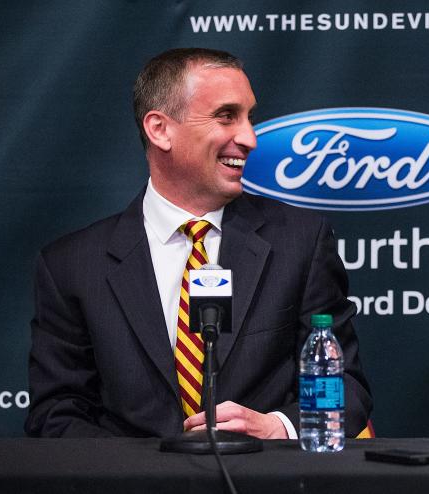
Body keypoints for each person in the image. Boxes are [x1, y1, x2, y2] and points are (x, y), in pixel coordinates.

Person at [26, 48, 372, 439]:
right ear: (160, 129)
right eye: (226, 116)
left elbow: (346, 388)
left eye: (249, 118)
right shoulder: (72, 266)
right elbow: (56, 414)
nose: (250, 138)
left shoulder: (300, 241)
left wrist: (277, 427)